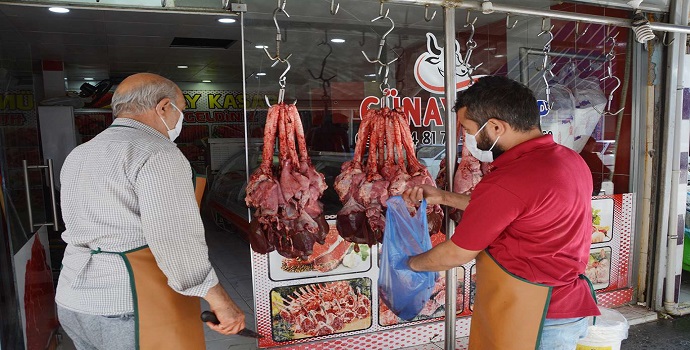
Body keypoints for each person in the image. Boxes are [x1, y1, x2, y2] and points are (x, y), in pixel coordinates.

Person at [402, 76, 599, 350]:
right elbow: (516, 212)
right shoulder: (569, 160)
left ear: (495, 126)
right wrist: (444, 197)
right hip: (567, 308)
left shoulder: (511, 179)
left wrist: (407, 264)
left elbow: (457, 253)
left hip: (534, 317)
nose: (468, 138)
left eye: (469, 130)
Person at [56, 73, 245, 350]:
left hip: (73, 299)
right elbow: (175, 239)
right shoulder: (157, 153)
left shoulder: (81, 153)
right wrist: (220, 301)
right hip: (129, 305)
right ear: (164, 107)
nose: (181, 118)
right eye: (182, 110)